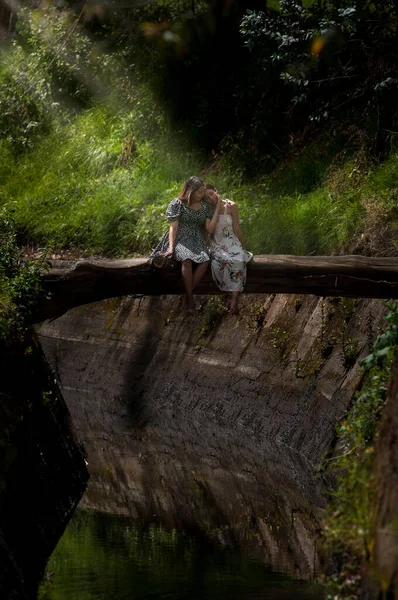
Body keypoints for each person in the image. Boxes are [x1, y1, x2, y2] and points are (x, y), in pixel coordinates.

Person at [150, 176, 220, 314]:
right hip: (180, 239)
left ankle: (185, 296)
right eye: (199, 192)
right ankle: (190, 299)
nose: (201, 195)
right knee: (186, 260)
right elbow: (173, 228)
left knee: (205, 260)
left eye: (202, 192)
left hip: (197, 240)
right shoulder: (178, 203)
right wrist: (171, 247)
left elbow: (209, 229)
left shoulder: (205, 206)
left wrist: (217, 207)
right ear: (190, 191)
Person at [204, 184, 253, 314]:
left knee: (239, 259)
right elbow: (210, 230)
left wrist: (242, 245)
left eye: (211, 193)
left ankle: (234, 299)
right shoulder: (207, 209)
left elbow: (237, 228)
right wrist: (216, 207)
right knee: (221, 261)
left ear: (216, 190)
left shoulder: (231, 206)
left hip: (232, 242)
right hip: (218, 244)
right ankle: (228, 294)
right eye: (207, 196)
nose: (210, 197)